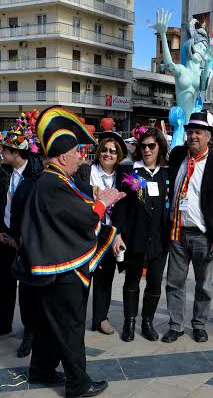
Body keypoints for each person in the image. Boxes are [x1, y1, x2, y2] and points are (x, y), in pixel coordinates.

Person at [19, 107, 125, 398]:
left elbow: (77, 216)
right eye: (78, 152)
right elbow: (85, 217)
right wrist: (103, 202)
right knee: (70, 326)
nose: (82, 157)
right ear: (64, 156)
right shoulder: (53, 182)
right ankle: (78, 383)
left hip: (54, 266)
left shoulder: (56, 180)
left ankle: (40, 370)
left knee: (49, 325)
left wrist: (110, 232)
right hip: (60, 268)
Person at [162, 110, 213, 344]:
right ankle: (175, 325)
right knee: (174, 282)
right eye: (191, 131)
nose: (193, 136)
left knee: (204, 286)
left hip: (204, 235)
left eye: (199, 133)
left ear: (208, 136)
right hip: (177, 231)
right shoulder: (177, 155)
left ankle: (199, 324)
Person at [0, 131, 43, 358]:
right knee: (5, 280)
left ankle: (30, 332)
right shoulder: (2, 173)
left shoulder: (36, 174)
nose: (0, 154)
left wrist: (26, 237)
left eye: (4, 151)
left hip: (27, 239)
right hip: (4, 236)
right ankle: (2, 321)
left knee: (27, 287)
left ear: (16, 153)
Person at [112, 127, 170, 342]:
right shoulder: (129, 172)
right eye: (143, 146)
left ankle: (147, 322)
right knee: (132, 280)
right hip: (134, 236)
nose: (146, 150)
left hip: (158, 238)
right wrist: (118, 233)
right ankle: (129, 322)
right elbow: (120, 206)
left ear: (159, 148)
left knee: (154, 283)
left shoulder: (167, 173)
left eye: (151, 146)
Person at [76, 130, 128, 336]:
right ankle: (77, 319)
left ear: (119, 155)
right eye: (105, 150)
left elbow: (124, 206)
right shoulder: (87, 171)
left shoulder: (123, 176)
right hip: (88, 231)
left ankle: (101, 319)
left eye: (113, 152)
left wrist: (119, 232)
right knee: (82, 278)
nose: (108, 154)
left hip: (110, 234)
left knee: (105, 279)